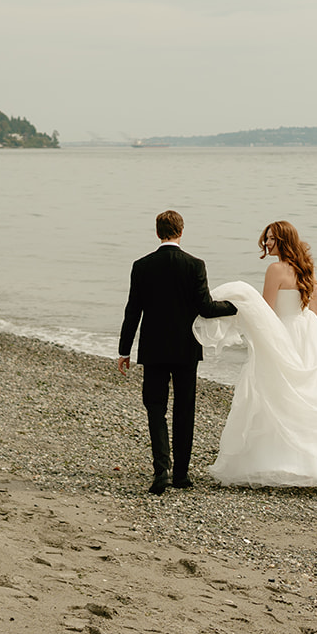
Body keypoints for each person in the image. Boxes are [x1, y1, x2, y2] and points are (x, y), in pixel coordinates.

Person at [194, 220, 317, 491]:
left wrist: (254, 322)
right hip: (310, 332)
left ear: (282, 240)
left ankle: (277, 463)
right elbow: (314, 307)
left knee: (275, 393)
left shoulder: (275, 269)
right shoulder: (306, 267)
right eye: (266, 238)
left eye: (271, 239)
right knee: (311, 395)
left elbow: (266, 311)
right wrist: (307, 333)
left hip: (283, 330)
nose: (267, 243)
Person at [118, 210, 238, 495]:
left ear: (157, 232)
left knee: (155, 408)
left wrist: (124, 350)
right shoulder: (195, 265)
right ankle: (182, 475)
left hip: (154, 349)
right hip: (186, 349)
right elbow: (206, 308)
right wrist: (234, 307)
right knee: (184, 410)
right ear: (181, 231)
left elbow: (133, 310)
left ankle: (162, 470)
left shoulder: (142, 265)